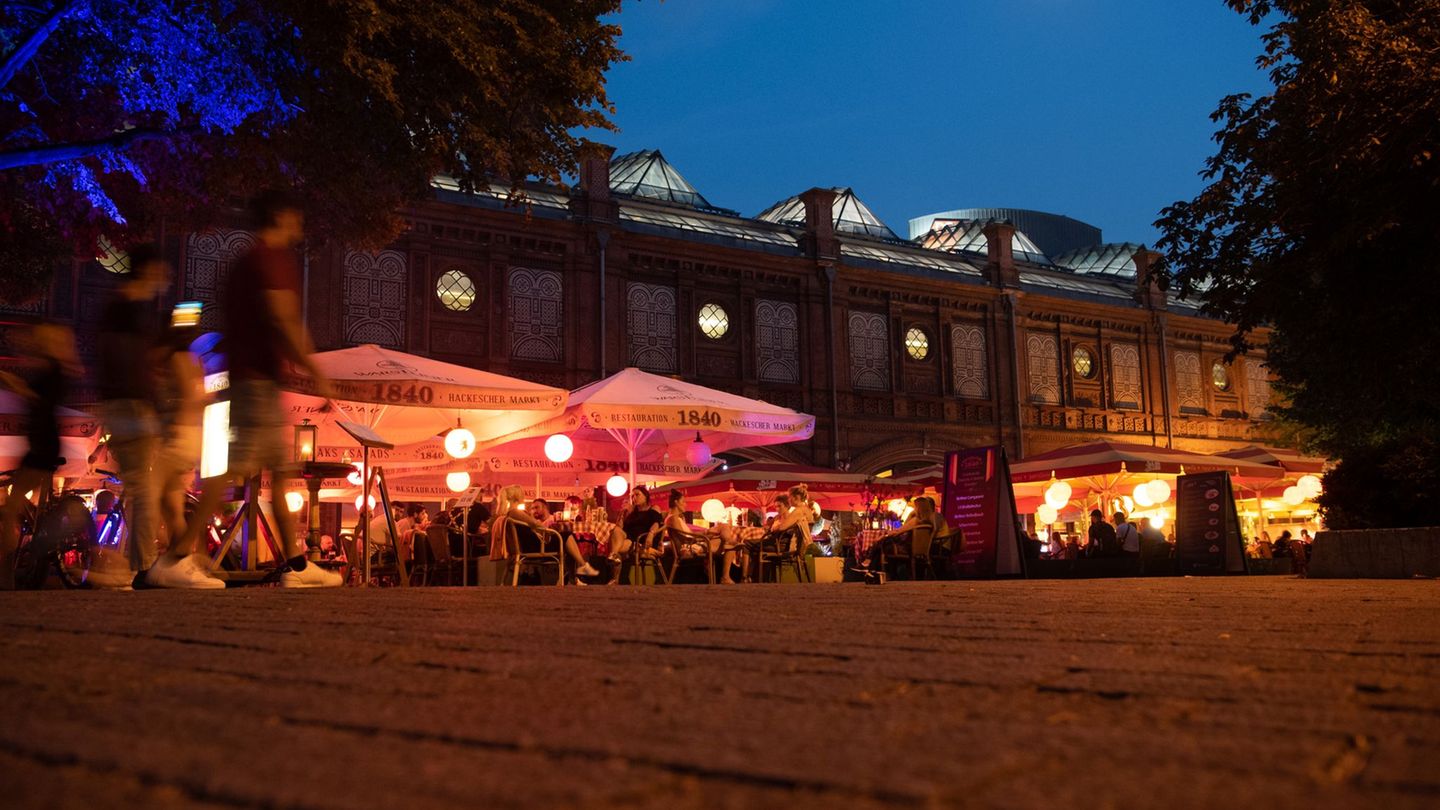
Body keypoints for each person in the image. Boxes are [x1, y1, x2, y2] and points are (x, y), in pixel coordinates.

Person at [179, 190, 341, 587]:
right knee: (232, 471)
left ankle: (297, 567)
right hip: (255, 382)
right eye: (296, 217)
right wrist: (315, 370)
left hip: (254, 379)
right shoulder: (269, 259)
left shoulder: (246, 261)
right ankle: (176, 556)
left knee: (280, 474)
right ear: (282, 216)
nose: (300, 226)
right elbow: (283, 318)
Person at [97, 245, 170, 586]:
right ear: (149, 271)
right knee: (145, 489)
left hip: (120, 405)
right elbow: (131, 363)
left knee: (141, 487)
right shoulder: (127, 309)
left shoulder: (120, 307)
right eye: (161, 272)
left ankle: (141, 563)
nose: (165, 279)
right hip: (131, 406)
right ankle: (144, 566)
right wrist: (152, 402)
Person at [0, 324, 83, 590]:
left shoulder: (55, 371)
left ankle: (6, 575)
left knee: (11, 508)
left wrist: (15, 384)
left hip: (43, 447)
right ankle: (36, 542)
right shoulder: (51, 368)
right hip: (38, 445)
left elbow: (41, 400)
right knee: (17, 507)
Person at [146, 321, 218, 588]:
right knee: (171, 507)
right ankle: (180, 564)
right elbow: (201, 396)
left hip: (179, 435)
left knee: (149, 495)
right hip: (185, 434)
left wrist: (175, 426)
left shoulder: (178, 359)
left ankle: (158, 562)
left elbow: (191, 397)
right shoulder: (189, 360)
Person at [490, 484, 598, 582]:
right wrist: (544, 530)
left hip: (528, 546)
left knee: (565, 540)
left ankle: (575, 576)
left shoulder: (509, 514)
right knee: (566, 536)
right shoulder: (515, 512)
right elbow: (535, 524)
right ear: (518, 497)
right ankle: (582, 567)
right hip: (534, 547)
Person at [605, 485, 665, 585]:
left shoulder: (653, 508)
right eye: (632, 496)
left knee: (615, 547)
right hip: (629, 540)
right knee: (616, 531)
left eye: (637, 495)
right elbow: (620, 529)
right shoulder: (632, 513)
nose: (634, 498)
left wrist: (651, 534)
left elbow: (657, 523)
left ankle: (615, 576)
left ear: (645, 496)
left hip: (642, 541)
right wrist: (622, 514)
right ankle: (614, 556)